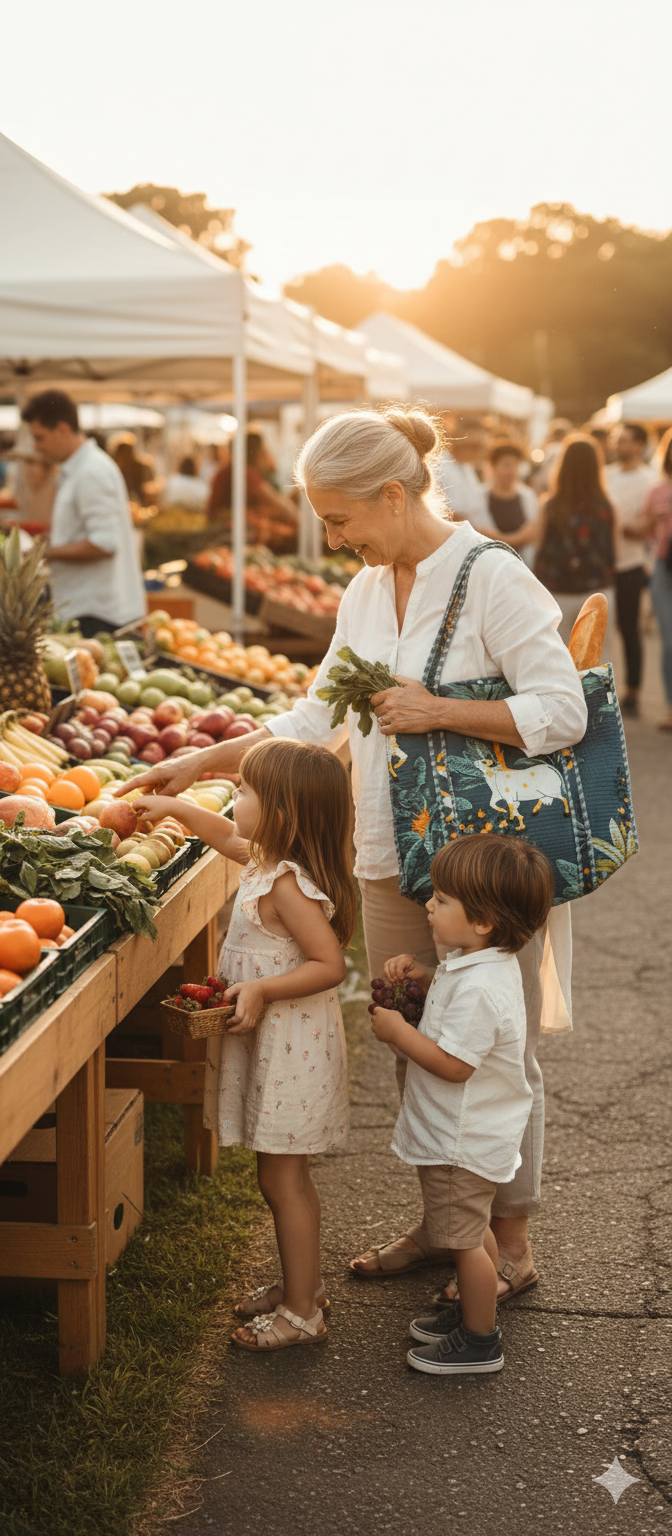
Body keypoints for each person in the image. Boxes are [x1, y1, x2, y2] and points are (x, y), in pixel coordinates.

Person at [119, 406, 587, 1306]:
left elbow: (561, 712)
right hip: (391, 856)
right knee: (415, 1041)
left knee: (493, 1051)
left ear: (394, 492)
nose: (333, 540)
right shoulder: (367, 593)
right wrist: (202, 759)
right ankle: (444, 1228)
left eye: (340, 520)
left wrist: (441, 709)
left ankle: (511, 1242)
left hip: (485, 873)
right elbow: (315, 718)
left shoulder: (496, 579)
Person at [134, 737, 356, 1352]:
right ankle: (300, 1285)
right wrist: (173, 809)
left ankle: (302, 1311)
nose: (235, 797)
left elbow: (330, 964)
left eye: (245, 791)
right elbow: (221, 838)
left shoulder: (286, 884)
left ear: (281, 813)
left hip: (291, 1052)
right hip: (280, 1048)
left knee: (282, 1182)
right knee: (281, 1177)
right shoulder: (263, 859)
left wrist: (260, 990)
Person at [369, 835, 554, 1376]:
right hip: (469, 1135)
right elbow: (461, 1007)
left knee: (466, 1242)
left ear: (484, 921)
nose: (428, 903)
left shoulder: (480, 986)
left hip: (459, 1140)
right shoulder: (481, 963)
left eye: (443, 899)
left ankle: (479, 1341)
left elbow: (455, 1063)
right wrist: (426, 976)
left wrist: (399, 1032)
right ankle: (476, 1315)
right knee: (476, 1231)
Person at [21, 391, 146, 635]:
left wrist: (44, 552)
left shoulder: (91, 472)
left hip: (96, 615)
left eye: (39, 438)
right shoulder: (80, 470)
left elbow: (104, 543)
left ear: (63, 429)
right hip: (89, 610)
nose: (36, 447)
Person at [528, 434, 616, 647]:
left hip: (556, 591)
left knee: (558, 660)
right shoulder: (607, 506)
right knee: (596, 666)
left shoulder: (549, 505)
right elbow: (616, 552)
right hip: (597, 591)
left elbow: (537, 546)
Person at [622, 425, 672, 730]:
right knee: (670, 641)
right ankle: (670, 708)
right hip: (665, 569)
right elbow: (642, 529)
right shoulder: (658, 490)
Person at [605, 423, 657, 716]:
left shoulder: (649, 479)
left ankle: (633, 691)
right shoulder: (607, 474)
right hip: (602, 564)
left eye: (624, 439)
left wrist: (617, 526)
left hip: (631, 564)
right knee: (600, 630)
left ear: (638, 444)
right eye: (616, 439)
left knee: (628, 628)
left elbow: (644, 528)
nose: (618, 444)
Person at [207, 429, 299, 542]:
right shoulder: (244, 473)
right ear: (255, 451)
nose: (265, 453)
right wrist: (302, 522)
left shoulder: (227, 471)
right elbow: (278, 503)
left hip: (223, 529)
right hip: (226, 533)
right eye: (262, 449)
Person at [476, 440, 537, 563]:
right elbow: (480, 532)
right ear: (493, 467)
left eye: (515, 465)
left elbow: (533, 532)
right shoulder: (479, 495)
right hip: (490, 564)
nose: (511, 471)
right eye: (506, 465)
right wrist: (518, 538)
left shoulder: (528, 496)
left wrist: (501, 539)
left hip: (522, 565)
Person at [435, 427, 485, 519]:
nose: (477, 453)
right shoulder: (440, 466)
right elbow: (437, 506)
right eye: (474, 447)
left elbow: (477, 504)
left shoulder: (467, 468)